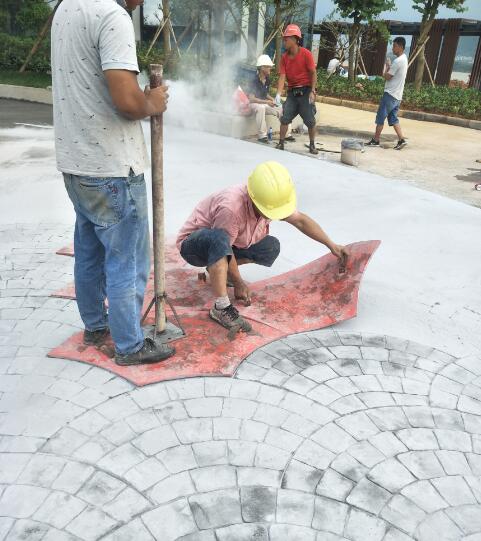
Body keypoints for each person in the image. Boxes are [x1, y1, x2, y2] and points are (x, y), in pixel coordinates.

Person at [51, 0, 175, 366]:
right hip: (112, 168)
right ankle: (130, 345)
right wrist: (151, 101)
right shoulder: (112, 16)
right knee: (127, 261)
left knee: (89, 252)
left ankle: (94, 326)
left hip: (76, 164)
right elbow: (126, 100)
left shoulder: (66, 8)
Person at [176, 162, 348, 331]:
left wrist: (332, 245)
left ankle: (219, 270)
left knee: (270, 247)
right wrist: (239, 283)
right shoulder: (231, 208)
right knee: (220, 240)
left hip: (225, 242)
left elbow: (301, 221)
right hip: (194, 246)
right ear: (255, 199)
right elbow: (223, 245)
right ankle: (220, 307)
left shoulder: (268, 199)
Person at [275, 24, 318, 155]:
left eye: (286, 39)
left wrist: (312, 90)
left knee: (310, 120)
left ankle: (312, 145)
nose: (284, 41)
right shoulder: (284, 57)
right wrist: (278, 94)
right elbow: (282, 76)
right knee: (285, 118)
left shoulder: (306, 54)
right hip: (292, 92)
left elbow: (313, 73)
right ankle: (281, 143)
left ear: (294, 39)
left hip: (305, 91)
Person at [367, 37, 408, 150]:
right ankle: (401, 139)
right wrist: (390, 66)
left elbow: (387, 76)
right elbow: (392, 74)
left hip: (390, 94)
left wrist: (386, 66)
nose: (393, 48)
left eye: (394, 46)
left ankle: (375, 140)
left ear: (400, 47)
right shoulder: (404, 59)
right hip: (397, 96)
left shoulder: (398, 61)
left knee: (380, 117)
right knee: (393, 119)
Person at [248, 54, 293, 143]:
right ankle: (262, 136)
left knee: (280, 108)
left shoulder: (267, 79)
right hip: (253, 105)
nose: (270, 69)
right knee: (260, 108)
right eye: (268, 67)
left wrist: (273, 100)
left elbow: (265, 94)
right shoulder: (253, 80)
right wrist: (267, 102)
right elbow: (251, 98)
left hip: (263, 104)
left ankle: (287, 134)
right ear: (262, 68)